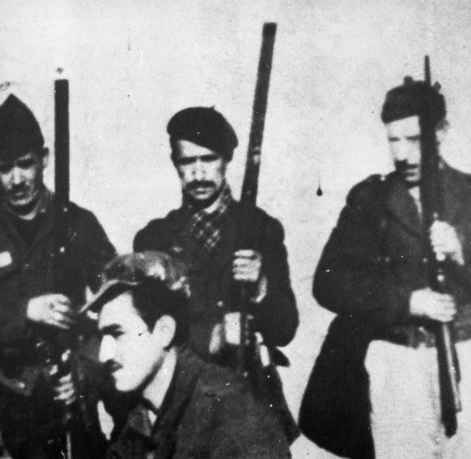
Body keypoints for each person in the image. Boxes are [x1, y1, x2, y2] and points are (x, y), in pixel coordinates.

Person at [300, 77, 471, 458]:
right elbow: (329, 284)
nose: (403, 154)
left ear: (441, 133)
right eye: (394, 140)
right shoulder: (371, 200)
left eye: (414, 140)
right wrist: (407, 301)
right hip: (398, 364)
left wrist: (461, 254)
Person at [0, 94, 119, 458]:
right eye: (4, 168)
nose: (16, 179)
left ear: (44, 158)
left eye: (26, 164)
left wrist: (86, 375)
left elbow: (118, 307)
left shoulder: (80, 224)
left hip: (65, 404)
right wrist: (25, 312)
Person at [134, 107, 299, 439]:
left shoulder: (261, 228)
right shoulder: (154, 239)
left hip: (250, 396)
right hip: (182, 399)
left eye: (208, 159)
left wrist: (261, 288)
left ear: (226, 159)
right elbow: (146, 335)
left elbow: (285, 328)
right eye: (187, 162)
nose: (198, 173)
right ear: (175, 164)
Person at [82, 251, 290, 458]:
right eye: (102, 338)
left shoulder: (230, 410)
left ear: (164, 331)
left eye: (117, 334)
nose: (104, 355)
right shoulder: (139, 423)